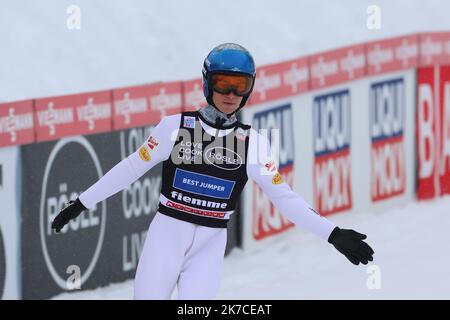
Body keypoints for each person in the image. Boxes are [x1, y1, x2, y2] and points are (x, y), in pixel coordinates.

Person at [51, 43, 374, 299]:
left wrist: (331, 234)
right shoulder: (174, 127)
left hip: (210, 242)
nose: (232, 95)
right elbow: (131, 168)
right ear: (207, 83)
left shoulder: (254, 143)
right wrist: (83, 203)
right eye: (223, 84)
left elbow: (284, 198)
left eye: (240, 86)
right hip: (167, 233)